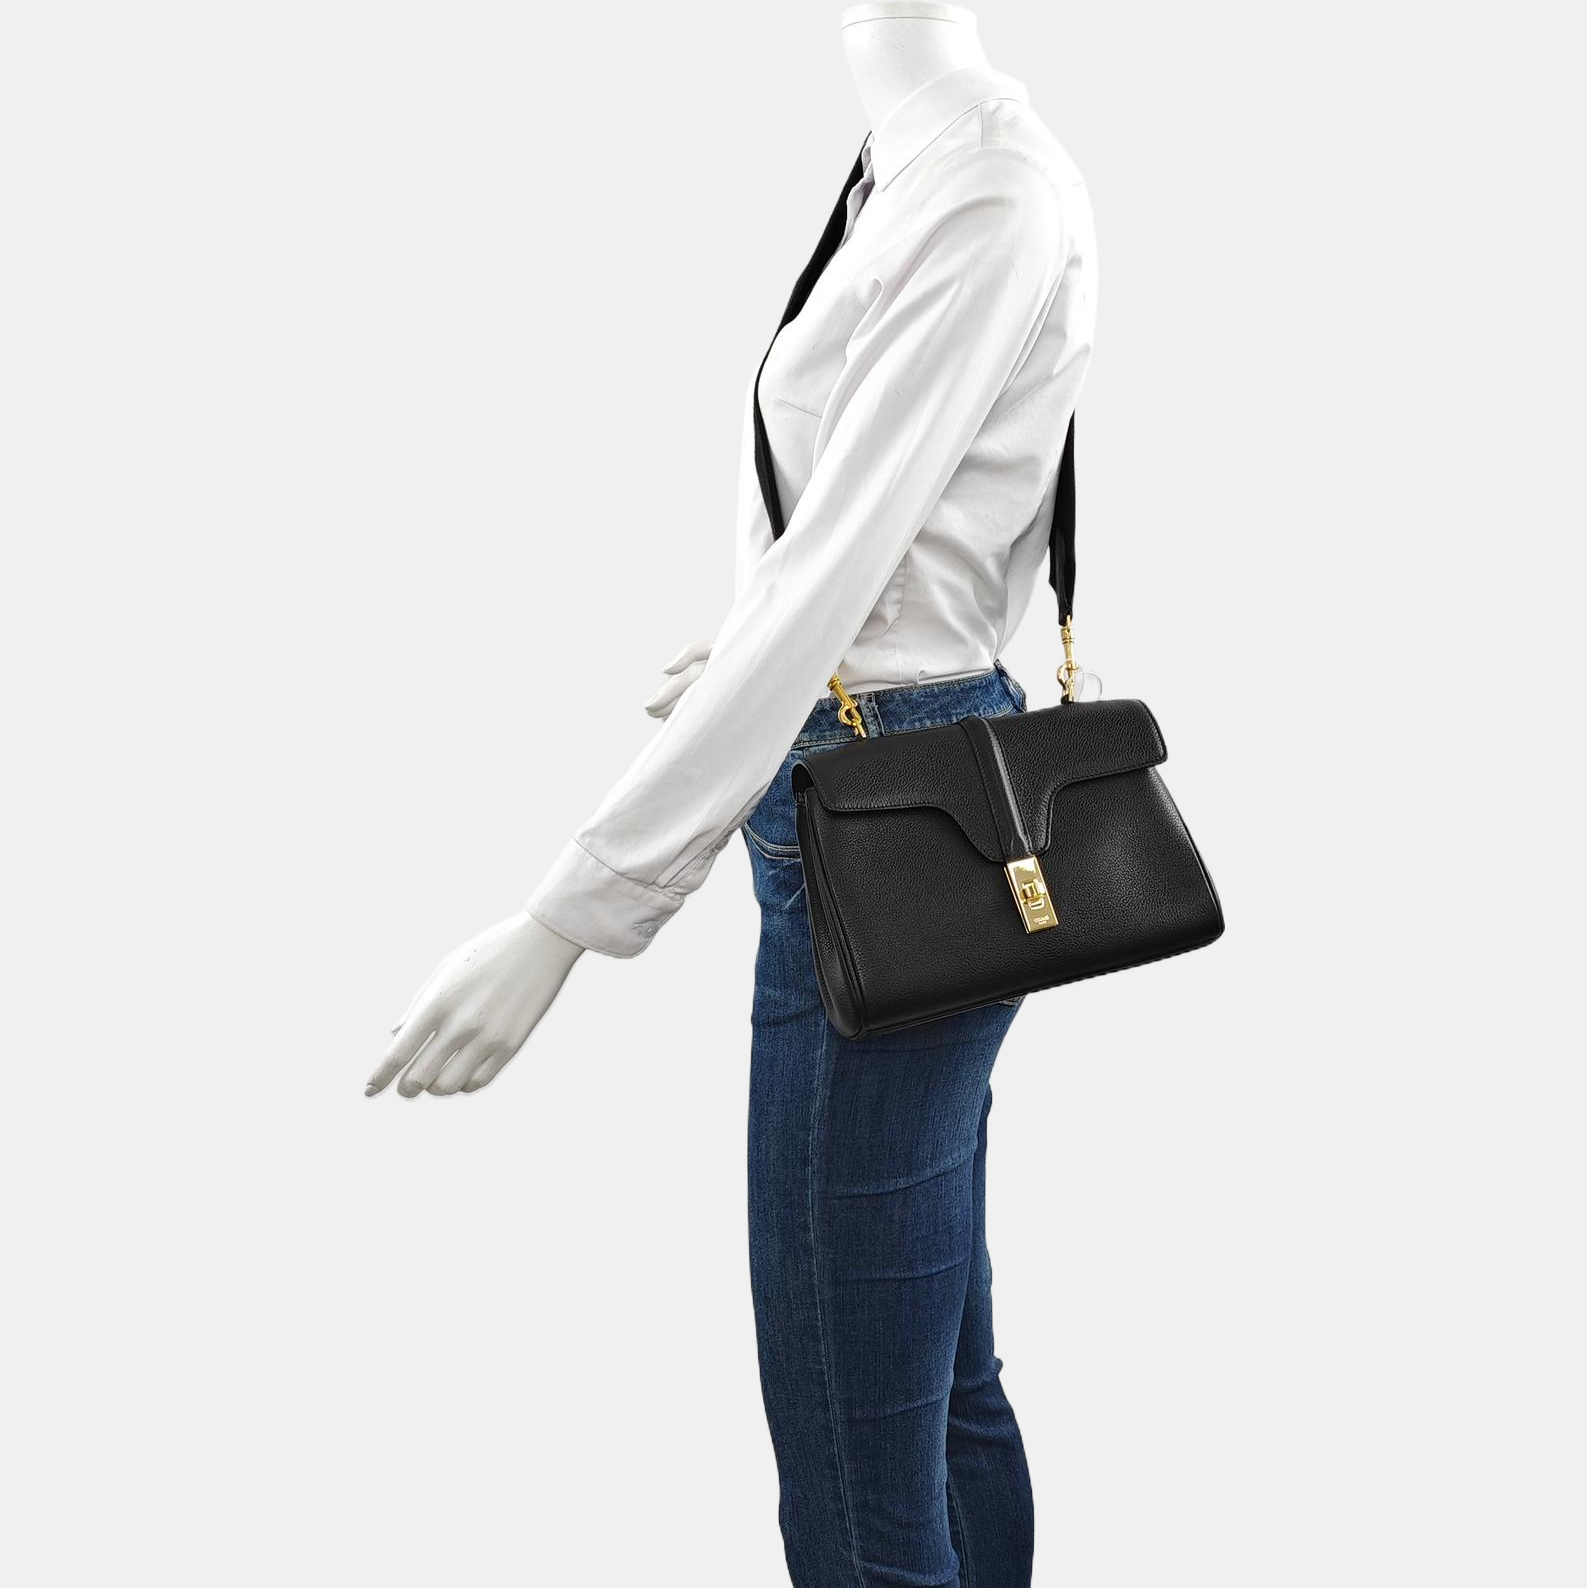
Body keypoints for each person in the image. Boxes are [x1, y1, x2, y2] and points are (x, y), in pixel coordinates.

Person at [366, 8, 1095, 1584]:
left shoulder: (984, 188)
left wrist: (567, 919)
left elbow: (840, 561)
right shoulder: (908, 165)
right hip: (883, 758)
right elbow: (881, 525)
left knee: (852, 1447)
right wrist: (766, 651)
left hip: (890, 811)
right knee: (931, 1390)